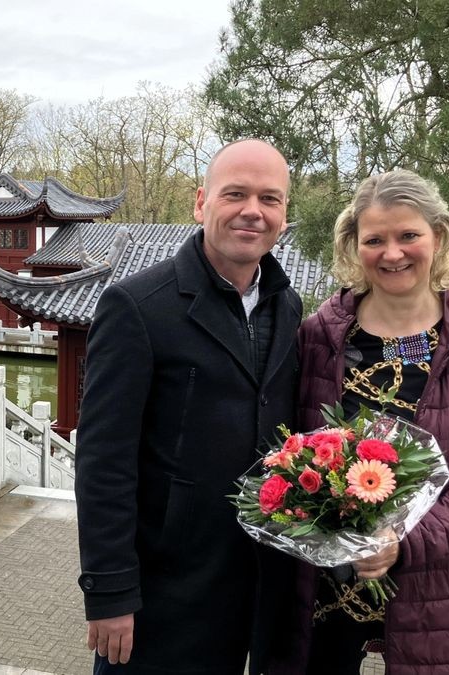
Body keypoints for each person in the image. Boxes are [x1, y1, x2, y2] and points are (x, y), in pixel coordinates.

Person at [285, 169, 449, 674]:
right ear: (354, 246)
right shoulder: (318, 337)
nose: (392, 253)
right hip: (321, 591)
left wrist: (407, 541)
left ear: (438, 236)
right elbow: (287, 446)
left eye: (408, 236)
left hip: (441, 594)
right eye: (375, 239)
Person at [74, 139, 303, 674]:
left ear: (284, 215)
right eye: (236, 194)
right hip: (166, 586)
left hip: (258, 582)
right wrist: (109, 592)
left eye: (270, 199)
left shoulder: (286, 305)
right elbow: (103, 460)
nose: (253, 211)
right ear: (201, 203)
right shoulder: (138, 307)